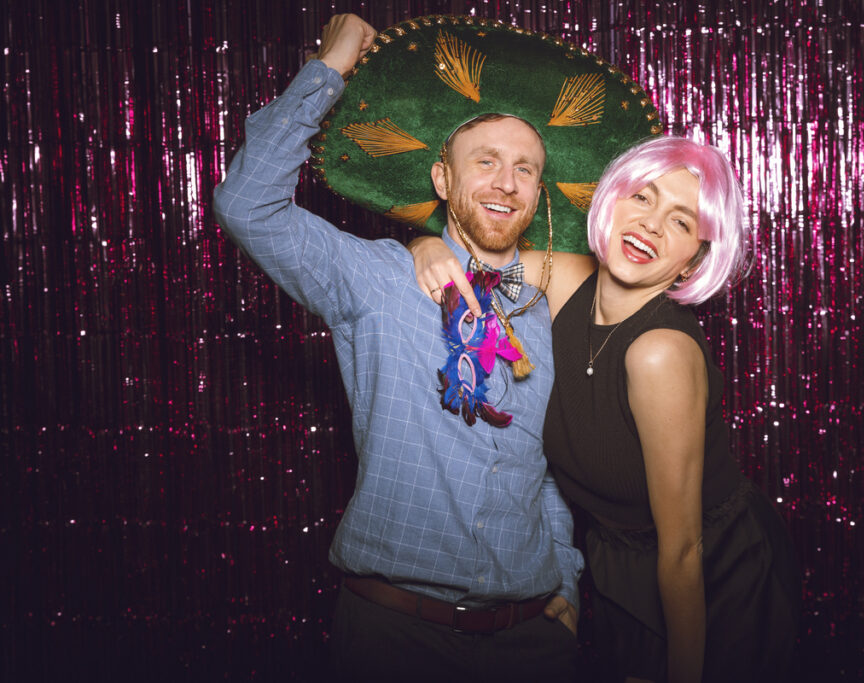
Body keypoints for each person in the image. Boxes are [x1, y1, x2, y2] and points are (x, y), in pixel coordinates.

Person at [212, 14, 591, 682]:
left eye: (525, 168)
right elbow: (247, 204)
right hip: (396, 638)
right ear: (443, 180)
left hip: (531, 640)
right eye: (486, 162)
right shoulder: (378, 277)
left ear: (537, 192)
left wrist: (564, 579)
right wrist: (331, 65)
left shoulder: (541, 311)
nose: (506, 182)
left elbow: (547, 470)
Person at [413, 136, 801, 682]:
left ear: (693, 262)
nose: (650, 225)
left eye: (682, 222)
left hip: (711, 578)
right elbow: (472, 253)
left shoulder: (658, 353)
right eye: (642, 197)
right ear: (612, 199)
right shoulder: (563, 279)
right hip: (617, 566)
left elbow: (684, 549)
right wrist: (423, 247)